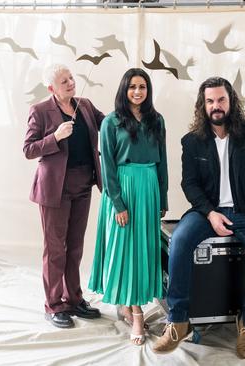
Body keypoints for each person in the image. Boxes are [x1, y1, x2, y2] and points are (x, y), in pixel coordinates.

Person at [153, 77, 245, 359]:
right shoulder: (192, 141)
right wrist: (210, 213)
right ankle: (179, 319)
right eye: (210, 101)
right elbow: (190, 184)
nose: (216, 106)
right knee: (179, 241)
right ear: (202, 105)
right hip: (208, 211)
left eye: (221, 100)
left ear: (231, 101)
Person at [88, 68, 168, 346]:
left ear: (148, 90)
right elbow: (106, 165)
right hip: (121, 188)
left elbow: (163, 162)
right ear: (124, 89)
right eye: (132, 86)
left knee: (142, 250)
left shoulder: (157, 120)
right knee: (125, 250)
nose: (137, 91)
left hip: (149, 188)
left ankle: (128, 304)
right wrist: (118, 203)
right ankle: (137, 315)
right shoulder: (111, 122)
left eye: (142, 86)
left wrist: (163, 197)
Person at [23, 64, 105, 328]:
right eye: (63, 81)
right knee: (55, 249)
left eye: (71, 78)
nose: (71, 83)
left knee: (76, 246)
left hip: (83, 185)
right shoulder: (39, 111)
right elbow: (28, 149)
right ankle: (54, 304)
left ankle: (74, 298)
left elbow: (111, 124)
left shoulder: (86, 105)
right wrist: (55, 137)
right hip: (54, 190)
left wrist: (133, 109)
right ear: (51, 89)